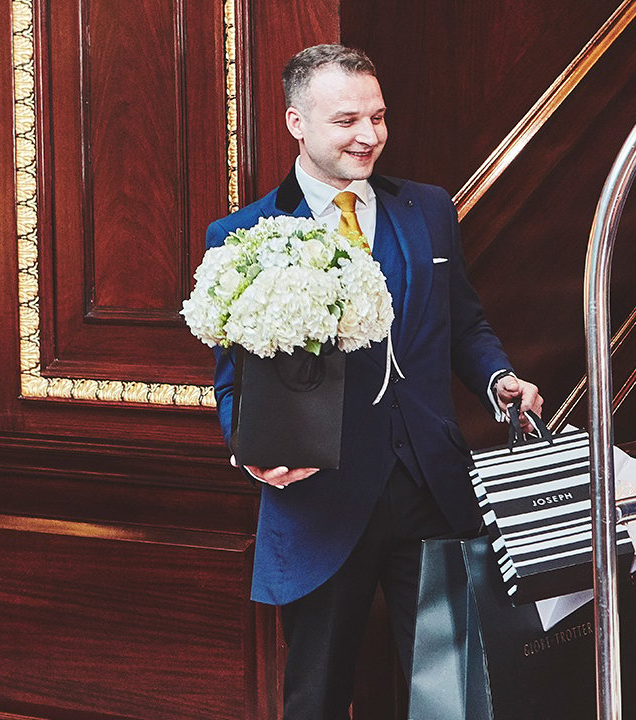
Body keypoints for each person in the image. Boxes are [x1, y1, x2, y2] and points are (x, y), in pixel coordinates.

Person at [206, 44, 543, 719]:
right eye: (347, 121)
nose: (369, 136)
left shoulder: (430, 209)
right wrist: (252, 452)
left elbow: (465, 325)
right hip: (320, 499)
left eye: (379, 118)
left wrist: (498, 377)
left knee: (456, 694)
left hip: (431, 486)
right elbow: (231, 383)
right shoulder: (244, 236)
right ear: (296, 122)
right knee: (318, 696)